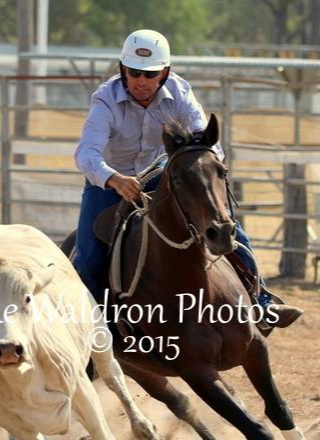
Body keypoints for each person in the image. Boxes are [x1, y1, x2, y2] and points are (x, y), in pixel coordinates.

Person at [73, 28, 302, 329]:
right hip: (109, 184)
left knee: (227, 227)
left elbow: (206, 142)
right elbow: (87, 153)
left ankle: (261, 302)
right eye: (134, 72)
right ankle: (90, 327)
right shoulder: (105, 99)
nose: (141, 81)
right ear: (123, 70)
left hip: (160, 177)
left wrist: (205, 168)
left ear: (164, 73)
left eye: (150, 74)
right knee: (89, 256)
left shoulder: (180, 92)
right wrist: (114, 179)